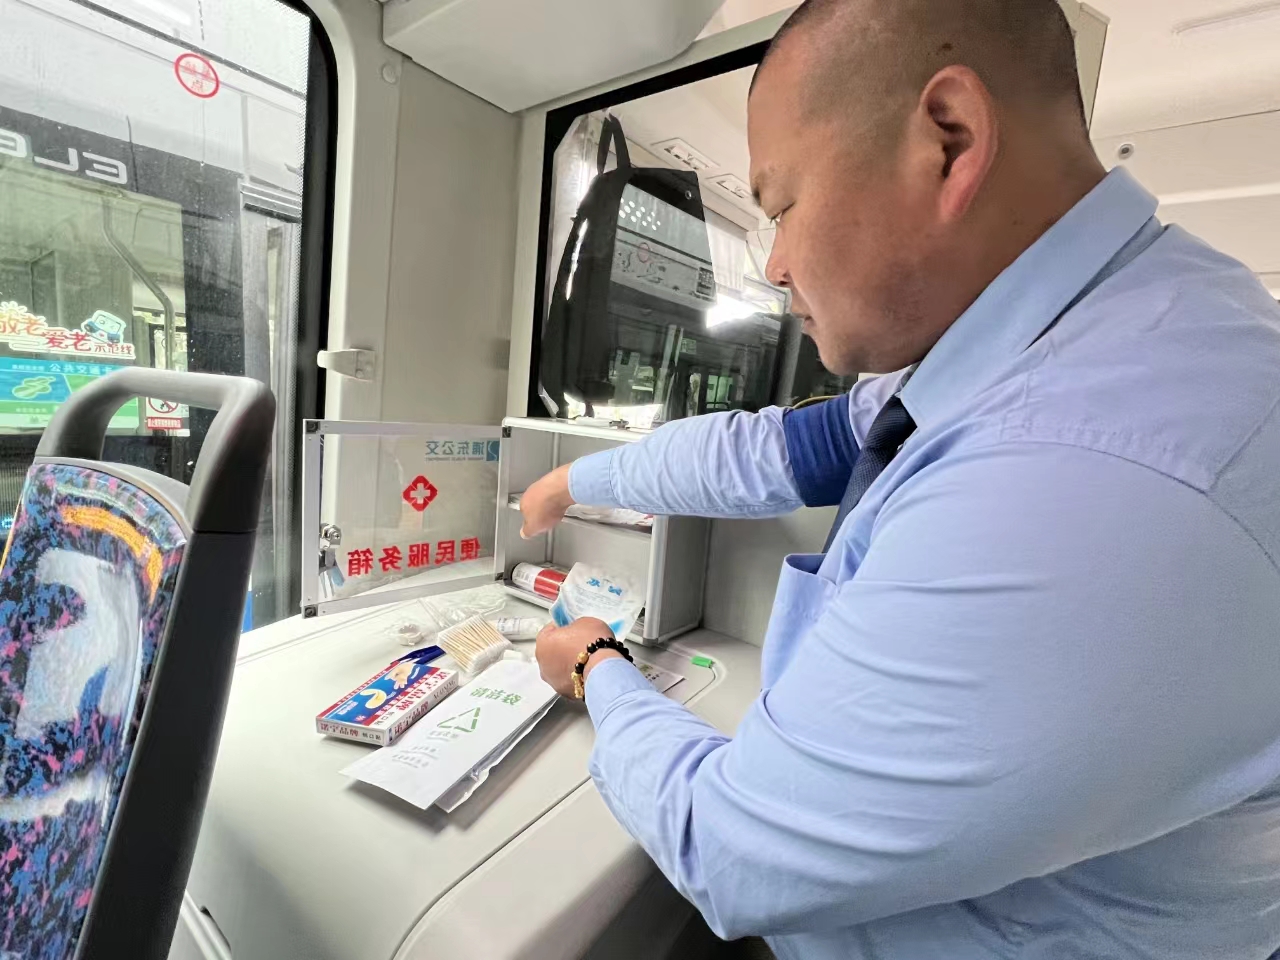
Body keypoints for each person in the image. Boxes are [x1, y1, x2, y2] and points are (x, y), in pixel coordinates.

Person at [524, 0, 1280, 956]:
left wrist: (597, 668)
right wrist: (579, 481)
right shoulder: (1060, 340)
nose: (776, 266)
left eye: (781, 209)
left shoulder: (1094, 472)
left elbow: (733, 849)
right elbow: (783, 449)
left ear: (948, 141)